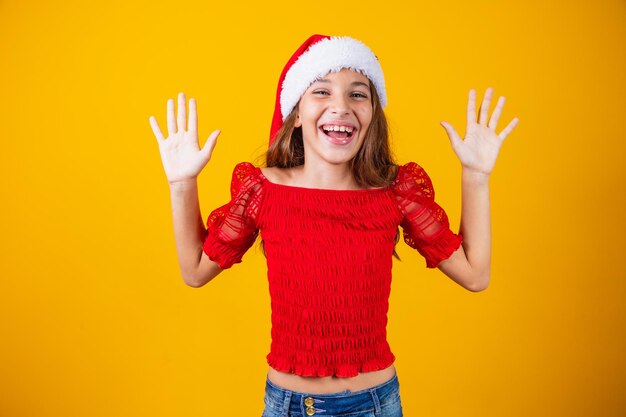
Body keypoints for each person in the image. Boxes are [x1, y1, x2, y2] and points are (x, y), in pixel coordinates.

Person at [149, 34, 519, 417]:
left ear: (373, 114)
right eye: (321, 91)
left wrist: (475, 174)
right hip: (287, 405)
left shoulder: (396, 190)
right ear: (294, 113)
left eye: (358, 94)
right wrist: (181, 183)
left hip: (373, 405)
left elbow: (475, 274)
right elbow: (194, 271)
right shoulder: (262, 190)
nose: (340, 106)